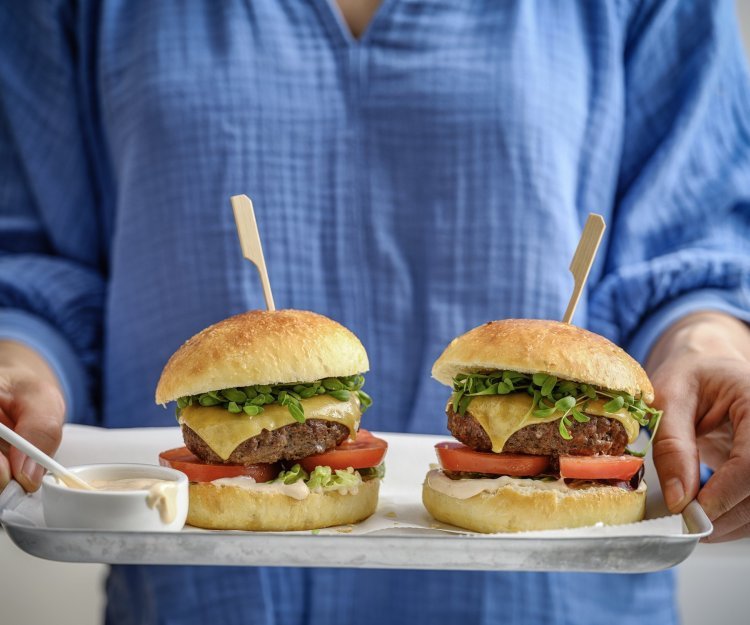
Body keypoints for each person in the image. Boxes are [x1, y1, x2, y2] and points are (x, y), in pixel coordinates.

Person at [1, 1, 749, 623]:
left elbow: (694, 239)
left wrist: (710, 343)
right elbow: (32, 250)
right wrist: (15, 363)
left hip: (562, 600)